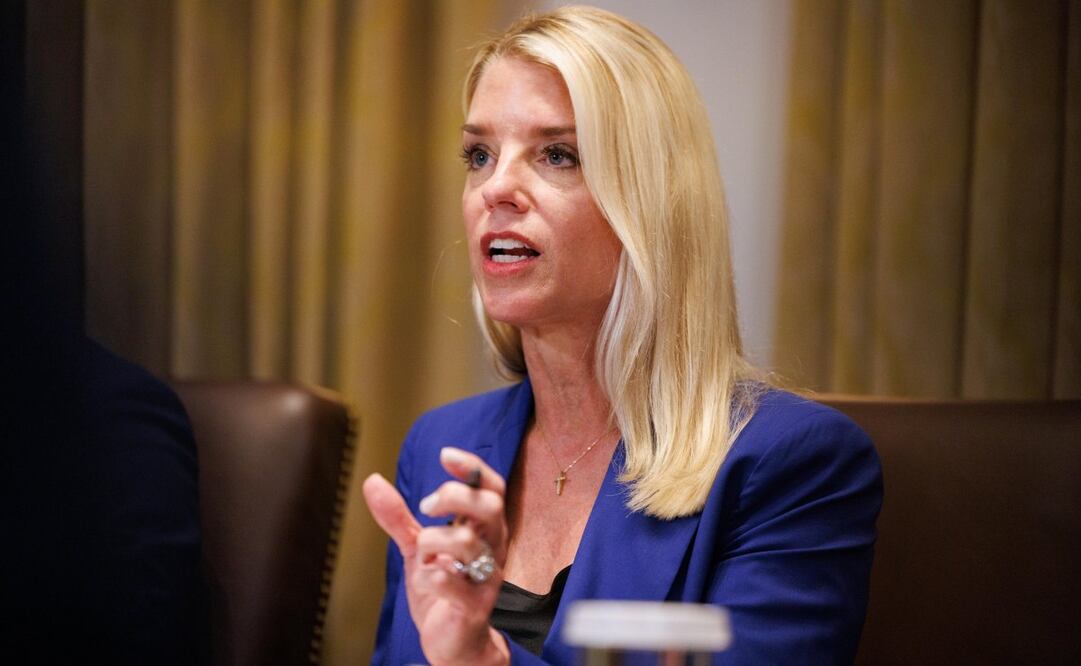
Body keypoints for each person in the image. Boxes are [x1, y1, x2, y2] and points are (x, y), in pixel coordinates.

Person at [363, 6, 882, 664]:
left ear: (653, 201)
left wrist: (481, 657)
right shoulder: (440, 448)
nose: (496, 188)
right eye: (479, 154)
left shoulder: (790, 465)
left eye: (557, 154)